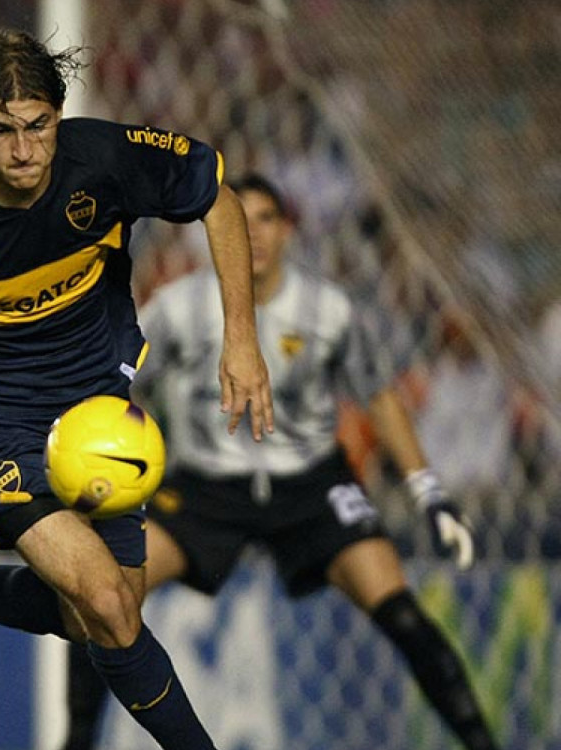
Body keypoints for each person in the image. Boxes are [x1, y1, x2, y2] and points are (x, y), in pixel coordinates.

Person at [0, 29, 273, 750]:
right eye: (3, 131)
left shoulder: (103, 160)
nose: (23, 150)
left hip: (99, 414)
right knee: (108, 604)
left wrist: (242, 339)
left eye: (38, 126)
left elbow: (218, 204)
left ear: (58, 114)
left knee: (102, 615)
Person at [60, 173, 500, 750]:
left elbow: (380, 396)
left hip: (310, 485)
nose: (253, 234)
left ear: (289, 229)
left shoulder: (329, 310)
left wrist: (428, 493)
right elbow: (117, 388)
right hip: (204, 488)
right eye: (236, 220)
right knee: (104, 596)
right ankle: (76, 741)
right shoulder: (177, 309)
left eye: (265, 218)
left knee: (401, 611)